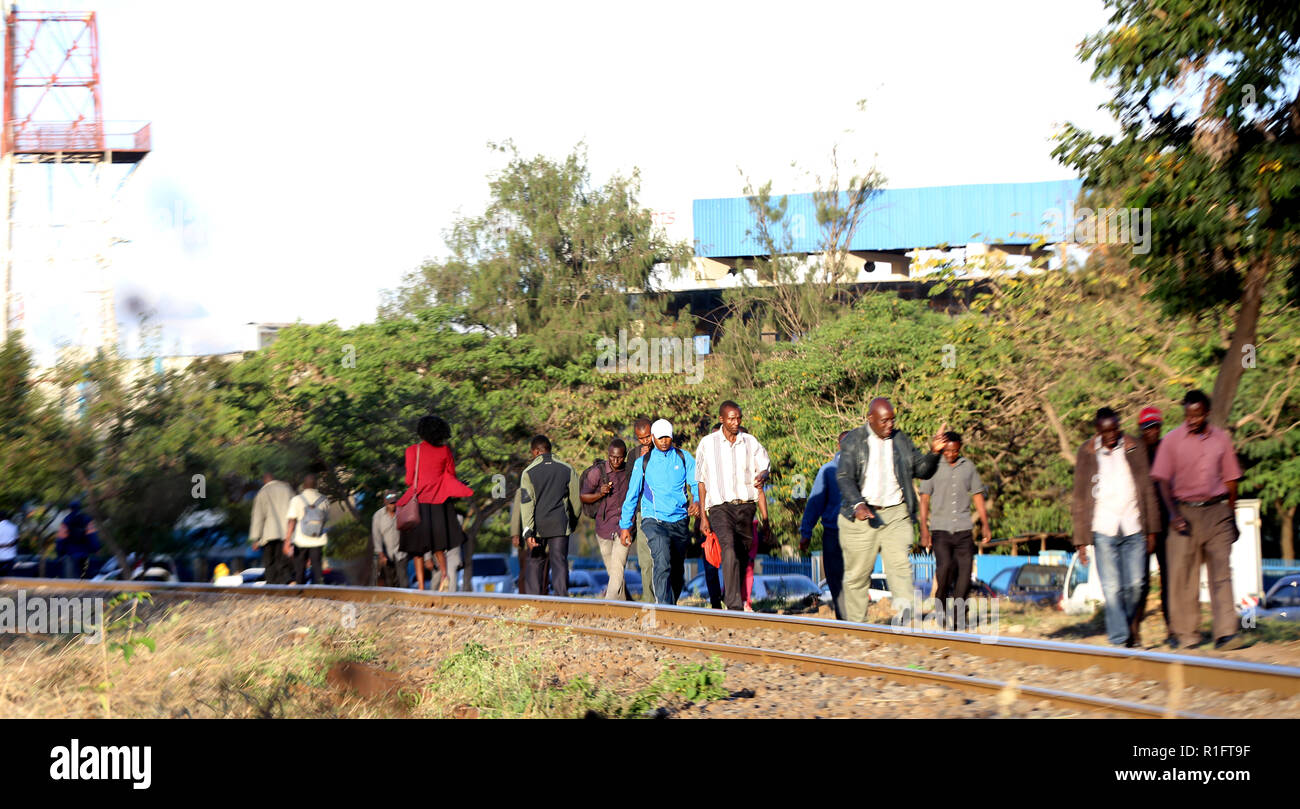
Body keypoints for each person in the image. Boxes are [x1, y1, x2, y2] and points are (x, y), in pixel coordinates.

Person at [1150, 390, 1245, 651]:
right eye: (1188, 415)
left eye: (1198, 414)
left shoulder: (1221, 439)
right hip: (1184, 511)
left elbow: (1231, 479)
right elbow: (1162, 481)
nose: (1192, 420)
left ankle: (1225, 633)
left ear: (1207, 413)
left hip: (1216, 512)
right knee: (1184, 576)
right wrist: (1173, 515)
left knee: (1221, 573)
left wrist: (1232, 515)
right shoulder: (1171, 441)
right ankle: (1187, 635)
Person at [835, 398, 946, 623]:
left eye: (893, 419)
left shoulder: (900, 440)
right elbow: (844, 477)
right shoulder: (854, 441)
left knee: (900, 569)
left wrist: (934, 453)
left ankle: (909, 621)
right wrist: (858, 503)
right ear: (871, 419)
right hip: (862, 516)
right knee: (857, 575)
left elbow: (922, 470)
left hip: (896, 513)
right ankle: (857, 626)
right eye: (884, 421)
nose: (890, 425)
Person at [1070, 409, 1161, 647]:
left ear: (1119, 427)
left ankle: (1129, 627)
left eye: (1114, 429)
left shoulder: (1135, 447)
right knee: (1111, 587)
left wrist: (1152, 530)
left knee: (1136, 584)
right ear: (1098, 432)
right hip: (1103, 528)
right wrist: (1080, 539)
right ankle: (1120, 639)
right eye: (1105, 431)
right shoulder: (1087, 452)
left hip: (1134, 526)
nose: (1111, 435)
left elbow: (1148, 489)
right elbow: (1079, 497)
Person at [695, 401, 771, 612]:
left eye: (738, 418)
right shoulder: (707, 444)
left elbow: (765, 465)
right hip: (720, 507)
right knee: (728, 548)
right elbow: (701, 481)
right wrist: (703, 515)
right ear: (721, 419)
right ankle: (734, 604)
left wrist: (764, 474)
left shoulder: (750, 441)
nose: (735, 422)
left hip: (746, 507)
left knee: (741, 554)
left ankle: (736, 597)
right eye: (731, 418)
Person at [619, 419, 699, 606]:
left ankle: (671, 604)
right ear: (653, 438)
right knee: (662, 560)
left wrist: (696, 499)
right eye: (660, 437)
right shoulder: (643, 462)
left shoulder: (683, 457)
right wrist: (625, 526)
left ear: (672, 437)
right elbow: (632, 495)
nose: (663, 441)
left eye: (667, 437)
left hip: (679, 519)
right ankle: (663, 607)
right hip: (654, 519)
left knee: (677, 569)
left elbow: (696, 483)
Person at [918, 431, 992, 625]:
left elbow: (977, 495)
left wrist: (985, 524)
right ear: (942, 449)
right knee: (945, 569)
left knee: (965, 576)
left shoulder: (968, 467)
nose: (951, 454)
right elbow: (924, 498)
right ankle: (940, 605)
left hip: (964, 530)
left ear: (959, 449)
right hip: (940, 530)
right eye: (947, 451)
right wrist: (924, 529)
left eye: (955, 451)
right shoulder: (932, 467)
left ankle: (959, 617)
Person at [397, 415, 474, 591]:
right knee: (438, 545)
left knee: (417, 549)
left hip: (418, 505)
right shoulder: (445, 451)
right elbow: (451, 474)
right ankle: (445, 575)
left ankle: (422, 587)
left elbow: (409, 480)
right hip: (439, 504)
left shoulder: (412, 451)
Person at [519, 435, 581, 597]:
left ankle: (533, 599)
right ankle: (562, 599)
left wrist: (528, 531)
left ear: (536, 451)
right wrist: (572, 523)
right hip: (560, 523)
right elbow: (576, 500)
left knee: (534, 562)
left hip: (538, 526)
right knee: (559, 562)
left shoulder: (528, 472)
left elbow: (527, 504)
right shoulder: (567, 469)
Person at [801, 431, 850, 620]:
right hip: (833, 532)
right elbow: (815, 503)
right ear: (839, 446)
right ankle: (844, 619)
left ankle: (854, 619)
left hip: (857, 534)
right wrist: (806, 533)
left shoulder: (863, 470)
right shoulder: (828, 471)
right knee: (835, 578)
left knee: (855, 577)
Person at [1137, 405, 1174, 645]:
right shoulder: (1133, 453)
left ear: (1160, 427)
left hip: (1166, 525)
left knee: (1169, 580)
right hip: (1139, 527)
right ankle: (1134, 631)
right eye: (1146, 427)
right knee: (1139, 582)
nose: (1151, 431)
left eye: (1155, 426)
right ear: (1140, 429)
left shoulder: (1168, 450)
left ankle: (1172, 629)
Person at [580, 438, 635, 600]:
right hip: (603, 528)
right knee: (614, 573)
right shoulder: (597, 472)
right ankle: (626, 605)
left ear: (624, 456)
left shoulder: (629, 471)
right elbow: (583, 496)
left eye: (619, 457)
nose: (615, 460)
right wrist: (599, 493)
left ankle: (608, 605)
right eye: (612, 457)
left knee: (618, 568)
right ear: (608, 455)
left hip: (624, 527)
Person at [283, 472, 330, 585]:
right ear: (316, 485)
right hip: (318, 540)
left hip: (301, 540)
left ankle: (300, 593)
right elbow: (325, 519)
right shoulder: (324, 500)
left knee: (299, 570)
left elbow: (292, 521)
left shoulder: (297, 500)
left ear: (304, 486)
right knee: (317, 569)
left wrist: (287, 540)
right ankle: (319, 592)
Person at [249, 471, 294, 585]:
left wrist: (255, 538)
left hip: (268, 533)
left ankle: (272, 584)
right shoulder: (287, 489)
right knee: (283, 560)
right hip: (286, 533)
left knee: (269, 561)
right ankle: (284, 582)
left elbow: (258, 516)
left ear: (264, 480)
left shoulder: (262, 492)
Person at [630, 417, 657, 602]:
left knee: (663, 558)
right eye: (641, 438)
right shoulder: (634, 455)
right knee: (645, 559)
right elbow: (630, 486)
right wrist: (640, 461)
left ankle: (666, 599)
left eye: (648, 436)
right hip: (642, 511)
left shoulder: (665, 450)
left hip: (664, 511)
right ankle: (649, 599)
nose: (645, 441)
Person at [372, 492, 407, 588]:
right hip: (386, 553)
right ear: (385, 503)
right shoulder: (378, 516)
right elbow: (376, 536)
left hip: (401, 552)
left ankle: (404, 600)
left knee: (403, 581)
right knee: (389, 581)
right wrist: (381, 554)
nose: (393, 505)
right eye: (390, 503)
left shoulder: (402, 512)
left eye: (395, 503)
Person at [58, 500, 98, 578]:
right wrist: (95, 549)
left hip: (70, 554)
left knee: (70, 580)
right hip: (84, 553)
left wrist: (59, 553)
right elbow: (92, 536)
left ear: (70, 508)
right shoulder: (87, 520)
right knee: (84, 578)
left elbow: (61, 538)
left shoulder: (66, 520)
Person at [508, 487, 530, 593]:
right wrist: (515, 534)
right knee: (525, 572)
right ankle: (524, 599)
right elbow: (516, 513)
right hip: (525, 541)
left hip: (538, 538)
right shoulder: (522, 490)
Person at [0, 510, 18, 577]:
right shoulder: (14, 527)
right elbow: (16, 541)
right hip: (11, 557)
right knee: (9, 578)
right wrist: (9, 545)